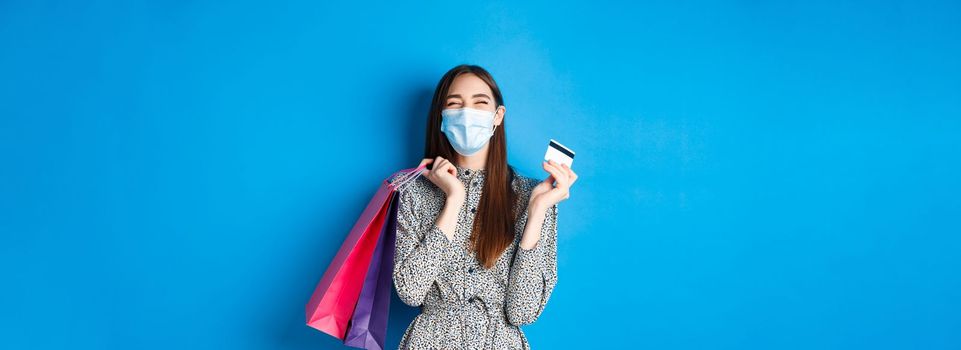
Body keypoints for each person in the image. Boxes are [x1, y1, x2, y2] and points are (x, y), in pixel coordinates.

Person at [390, 64, 578, 349]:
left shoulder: (533, 195)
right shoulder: (412, 190)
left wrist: (537, 210)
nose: (467, 113)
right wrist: (453, 199)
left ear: (497, 116)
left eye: (480, 103)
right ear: (441, 118)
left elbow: (522, 311)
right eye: (455, 104)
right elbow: (411, 291)